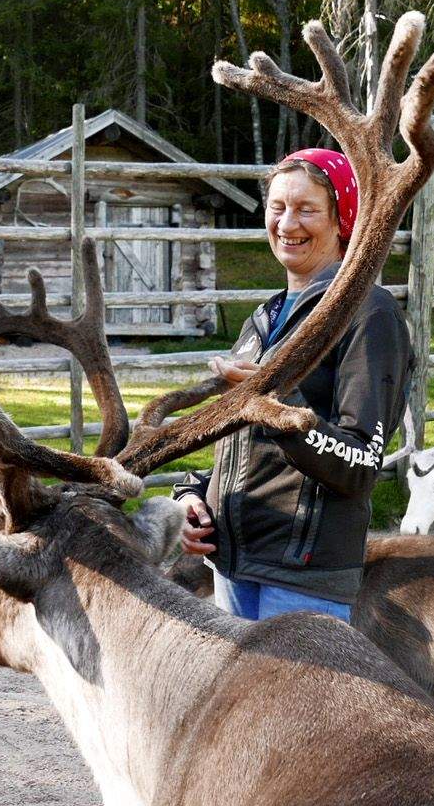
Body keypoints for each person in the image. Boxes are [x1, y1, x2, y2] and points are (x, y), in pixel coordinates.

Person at [172, 147, 411, 622]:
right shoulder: (262, 320)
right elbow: (243, 448)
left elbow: (360, 464)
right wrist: (193, 496)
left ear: (343, 220)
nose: (287, 224)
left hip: (303, 578)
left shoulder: (370, 313)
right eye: (278, 208)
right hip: (234, 566)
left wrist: (275, 405)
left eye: (307, 209)